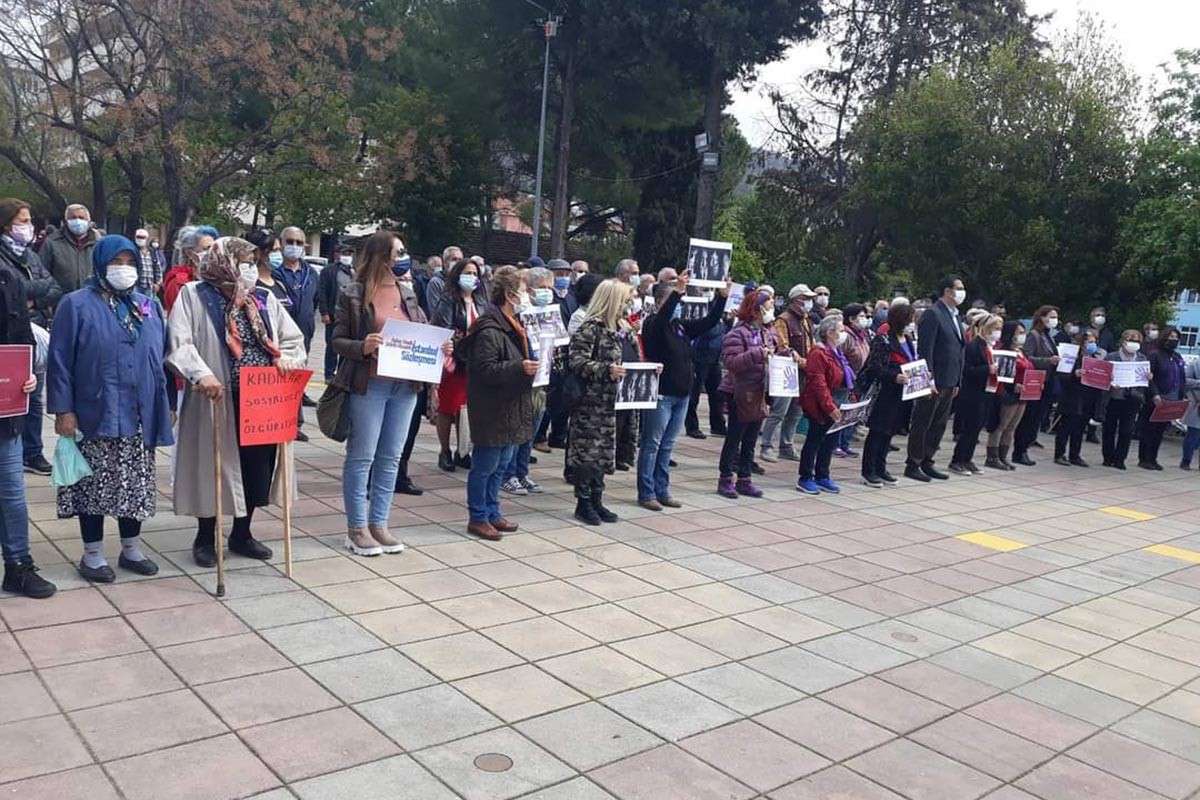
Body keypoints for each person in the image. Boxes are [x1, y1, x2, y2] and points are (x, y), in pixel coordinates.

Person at [167, 237, 305, 567]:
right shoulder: (194, 295)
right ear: (223, 261)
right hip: (216, 397)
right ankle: (205, 536)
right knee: (213, 467)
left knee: (256, 468)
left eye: (251, 262)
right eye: (242, 261)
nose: (248, 269)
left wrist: (287, 358)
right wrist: (200, 374)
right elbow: (180, 341)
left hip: (261, 400)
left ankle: (242, 532)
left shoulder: (263, 298)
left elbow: (293, 339)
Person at [47, 235, 174, 582]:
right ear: (101, 264)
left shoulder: (148, 305)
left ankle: (131, 548)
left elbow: (160, 359)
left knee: (134, 484)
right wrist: (63, 410)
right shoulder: (76, 305)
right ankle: (92, 555)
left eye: (130, 262)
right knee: (95, 486)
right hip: (95, 412)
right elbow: (59, 361)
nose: (124, 269)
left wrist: (167, 405)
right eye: (116, 262)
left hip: (138, 414)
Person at [331, 231, 431, 555]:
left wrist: (439, 346)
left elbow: (422, 331)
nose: (403, 257)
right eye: (398, 251)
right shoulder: (354, 293)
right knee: (362, 457)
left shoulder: (408, 292)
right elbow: (337, 339)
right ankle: (356, 528)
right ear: (381, 256)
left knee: (391, 457)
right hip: (369, 384)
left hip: (405, 387)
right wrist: (363, 346)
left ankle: (380, 523)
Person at [456, 266, 537, 540]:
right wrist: (519, 367)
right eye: (524, 291)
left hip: (510, 404)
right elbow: (485, 370)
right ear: (509, 294)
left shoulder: (514, 324)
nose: (527, 296)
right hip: (492, 407)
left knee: (501, 464)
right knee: (486, 465)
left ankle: (492, 511)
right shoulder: (491, 328)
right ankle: (478, 516)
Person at [638, 271, 726, 510]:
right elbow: (663, 315)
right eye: (675, 301)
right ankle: (646, 492)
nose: (678, 306)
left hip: (681, 393)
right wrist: (676, 292)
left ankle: (662, 489)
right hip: (662, 393)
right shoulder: (653, 324)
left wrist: (721, 299)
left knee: (667, 445)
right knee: (652, 443)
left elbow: (707, 323)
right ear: (659, 303)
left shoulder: (679, 327)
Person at [0, 223, 55, 598]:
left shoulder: (9, 279)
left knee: (12, 493)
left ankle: (18, 566)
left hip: (7, 410)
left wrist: (26, 373)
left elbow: (20, 337)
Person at [0, 198, 61, 476]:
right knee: (12, 397)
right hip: (9, 337)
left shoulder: (30, 255)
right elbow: (9, 292)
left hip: (34, 331)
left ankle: (32, 452)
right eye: (23, 221)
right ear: (6, 224)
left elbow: (53, 287)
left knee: (35, 397)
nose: (29, 227)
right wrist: (24, 294)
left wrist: (30, 301)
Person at [568, 279, 631, 524]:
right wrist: (606, 370)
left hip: (613, 402)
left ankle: (597, 498)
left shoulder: (622, 327)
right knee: (588, 454)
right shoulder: (590, 328)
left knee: (604, 453)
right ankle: (583, 502)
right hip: (591, 403)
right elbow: (577, 362)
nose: (626, 305)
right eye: (623, 300)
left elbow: (632, 356)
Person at [905, 275, 966, 482]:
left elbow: (958, 349)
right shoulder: (933, 314)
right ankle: (913, 462)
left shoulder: (956, 316)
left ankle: (927, 460)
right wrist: (927, 378)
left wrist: (957, 380)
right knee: (923, 421)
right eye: (958, 288)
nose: (961, 292)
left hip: (950, 378)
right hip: (935, 378)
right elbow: (926, 349)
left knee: (939, 423)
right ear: (947, 291)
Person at [717, 290, 777, 498]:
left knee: (751, 438)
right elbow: (732, 362)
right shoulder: (737, 333)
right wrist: (758, 353)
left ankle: (745, 477)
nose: (771, 310)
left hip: (760, 390)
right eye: (768, 306)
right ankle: (725, 478)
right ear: (756, 309)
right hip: (740, 392)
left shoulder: (766, 332)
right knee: (735, 437)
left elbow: (774, 353)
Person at [430, 258, 487, 471]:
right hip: (453, 362)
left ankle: (463, 451)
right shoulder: (448, 300)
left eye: (475, 274)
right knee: (448, 407)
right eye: (467, 273)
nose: (471, 277)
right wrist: (457, 345)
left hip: (475, 363)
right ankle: (444, 451)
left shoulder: (481, 302)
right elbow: (442, 329)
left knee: (466, 409)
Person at [501, 266, 553, 496]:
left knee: (531, 429)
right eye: (541, 288)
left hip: (541, 378)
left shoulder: (549, 313)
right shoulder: (519, 314)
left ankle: (522, 473)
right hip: (522, 377)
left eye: (548, 288)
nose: (546, 292)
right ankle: (508, 474)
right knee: (517, 429)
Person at [858, 302, 914, 486]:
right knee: (878, 431)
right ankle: (869, 470)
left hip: (902, 393)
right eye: (909, 320)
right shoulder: (883, 340)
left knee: (889, 432)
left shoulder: (908, 340)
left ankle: (881, 467)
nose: (911, 324)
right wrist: (893, 376)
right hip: (885, 392)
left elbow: (913, 361)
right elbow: (874, 367)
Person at [760, 283, 816, 462]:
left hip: (804, 372)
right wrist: (799, 359)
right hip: (788, 371)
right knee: (779, 411)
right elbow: (781, 345)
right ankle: (767, 446)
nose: (809, 302)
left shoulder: (807, 320)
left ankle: (786, 445)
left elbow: (811, 344)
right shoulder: (783, 319)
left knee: (796, 412)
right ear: (795, 300)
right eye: (805, 299)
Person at [796, 314, 848, 494]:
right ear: (830, 333)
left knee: (829, 442)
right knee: (814, 441)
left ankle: (822, 475)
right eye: (841, 331)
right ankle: (805, 476)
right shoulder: (818, 353)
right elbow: (819, 384)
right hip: (820, 405)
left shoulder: (837, 352)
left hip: (837, 401)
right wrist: (830, 407)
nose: (843, 334)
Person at [274, 226, 319, 418]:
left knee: (297, 376)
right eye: (289, 242)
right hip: (278, 334)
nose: (294, 246)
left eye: (298, 242)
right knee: (279, 378)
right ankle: (279, 418)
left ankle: (295, 420)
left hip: (303, 333)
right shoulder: (273, 272)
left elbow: (314, 301)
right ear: (281, 243)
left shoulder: (311, 274)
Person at [949, 314, 1002, 475]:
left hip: (987, 391)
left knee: (977, 428)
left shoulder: (990, 347)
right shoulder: (974, 346)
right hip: (972, 393)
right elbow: (967, 370)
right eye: (995, 329)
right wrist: (987, 369)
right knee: (969, 427)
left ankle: (967, 459)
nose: (997, 332)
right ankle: (957, 460)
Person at [1012, 305, 1062, 465]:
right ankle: (1020, 451)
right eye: (1051, 316)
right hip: (1035, 380)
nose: (1054, 320)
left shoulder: (1048, 336)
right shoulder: (1034, 335)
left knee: (1037, 418)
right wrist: (1048, 361)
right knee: (1029, 418)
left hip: (1047, 381)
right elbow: (1027, 357)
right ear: (1041, 317)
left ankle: (1026, 446)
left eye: (1055, 317)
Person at [1100, 330, 1151, 470]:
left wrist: (1148, 377)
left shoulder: (1141, 358)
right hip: (1114, 396)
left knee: (1126, 430)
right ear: (1123, 341)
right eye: (1131, 340)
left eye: (1137, 341)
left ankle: (1120, 459)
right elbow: (1103, 376)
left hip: (1133, 398)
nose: (1134, 344)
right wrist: (1109, 381)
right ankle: (1107, 456)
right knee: (1109, 428)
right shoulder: (1112, 357)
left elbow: (1144, 378)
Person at [985, 321, 1032, 470]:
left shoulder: (1020, 351)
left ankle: (1003, 456)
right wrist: (1013, 386)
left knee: (1011, 427)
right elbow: (1002, 374)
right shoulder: (1003, 351)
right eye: (1019, 333)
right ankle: (992, 456)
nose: (1022, 336)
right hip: (1008, 393)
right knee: (1001, 425)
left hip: (1023, 394)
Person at [1139, 326, 1185, 470]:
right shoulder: (1155, 355)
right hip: (1156, 397)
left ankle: (1153, 458)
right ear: (1164, 338)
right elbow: (1149, 377)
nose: (1174, 340)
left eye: (1176, 338)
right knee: (1149, 429)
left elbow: (1181, 377)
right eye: (1171, 337)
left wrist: (1181, 395)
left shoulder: (1177, 357)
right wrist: (1154, 394)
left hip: (1171, 398)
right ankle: (1144, 458)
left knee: (1160, 430)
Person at [685, 292, 728, 439]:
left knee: (717, 395)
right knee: (694, 394)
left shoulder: (722, 314)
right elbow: (708, 331)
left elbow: (725, 332)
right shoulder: (705, 311)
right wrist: (721, 324)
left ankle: (718, 425)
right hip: (700, 357)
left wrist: (727, 321)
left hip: (715, 358)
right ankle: (692, 426)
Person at [832, 302, 871, 457]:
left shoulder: (862, 335)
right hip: (846, 378)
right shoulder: (846, 335)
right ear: (851, 318)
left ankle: (844, 443)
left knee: (852, 413)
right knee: (841, 411)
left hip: (859, 378)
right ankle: (835, 444)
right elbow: (839, 357)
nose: (865, 319)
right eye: (861, 316)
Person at [1053, 330, 1097, 467]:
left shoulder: (1094, 359)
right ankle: (1059, 454)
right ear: (1082, 343)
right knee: (1066, 426)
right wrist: (1074, 374)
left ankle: (1075, 455)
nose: (1093, 345)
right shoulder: (1072, 357)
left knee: (1079, 427)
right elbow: (1062, 376)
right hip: (1071, 396)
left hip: (1086, 396)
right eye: (1090, 342)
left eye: (1094, 342)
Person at [39, 203, 100, 293]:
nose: (77, 221)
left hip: (93, 300)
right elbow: (42, 273)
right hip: (61, 300)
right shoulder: (52, 242)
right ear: (66, 221)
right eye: (73, 218)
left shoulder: (98, 243)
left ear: (89, 221)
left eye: (81, 217)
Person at [318, 245, 356, 381]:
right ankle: (329, 374)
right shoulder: (329, 271)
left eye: (350, 253)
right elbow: (322, 292)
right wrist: (324, 312)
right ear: (337, 255)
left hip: (350, 316)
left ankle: (341, 374)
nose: (347, 256)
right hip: (334, 314)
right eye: (344, 253)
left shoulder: (354, 271)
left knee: (346, 347)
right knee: (332, 346)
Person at [163, 225, 218, 313]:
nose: (212, 253)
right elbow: (179, 319)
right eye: (206, 249)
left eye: (214, 248)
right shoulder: (178, 282)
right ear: (189, 253)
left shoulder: (217, 277)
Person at [1179, 355, 1200, 470]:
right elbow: (1185, 381)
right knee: (1193, 434)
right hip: (1197, 403)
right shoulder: (1195, 364)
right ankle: (1186, 460)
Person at [133, 228, 165, 295]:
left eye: (142, 237)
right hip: (136, 286)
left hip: (150, 287)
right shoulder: (133, 252)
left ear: (147, 239)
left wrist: (158, 284)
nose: (140, 239)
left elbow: (158, 269)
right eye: (138, 237)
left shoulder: (152, 253)